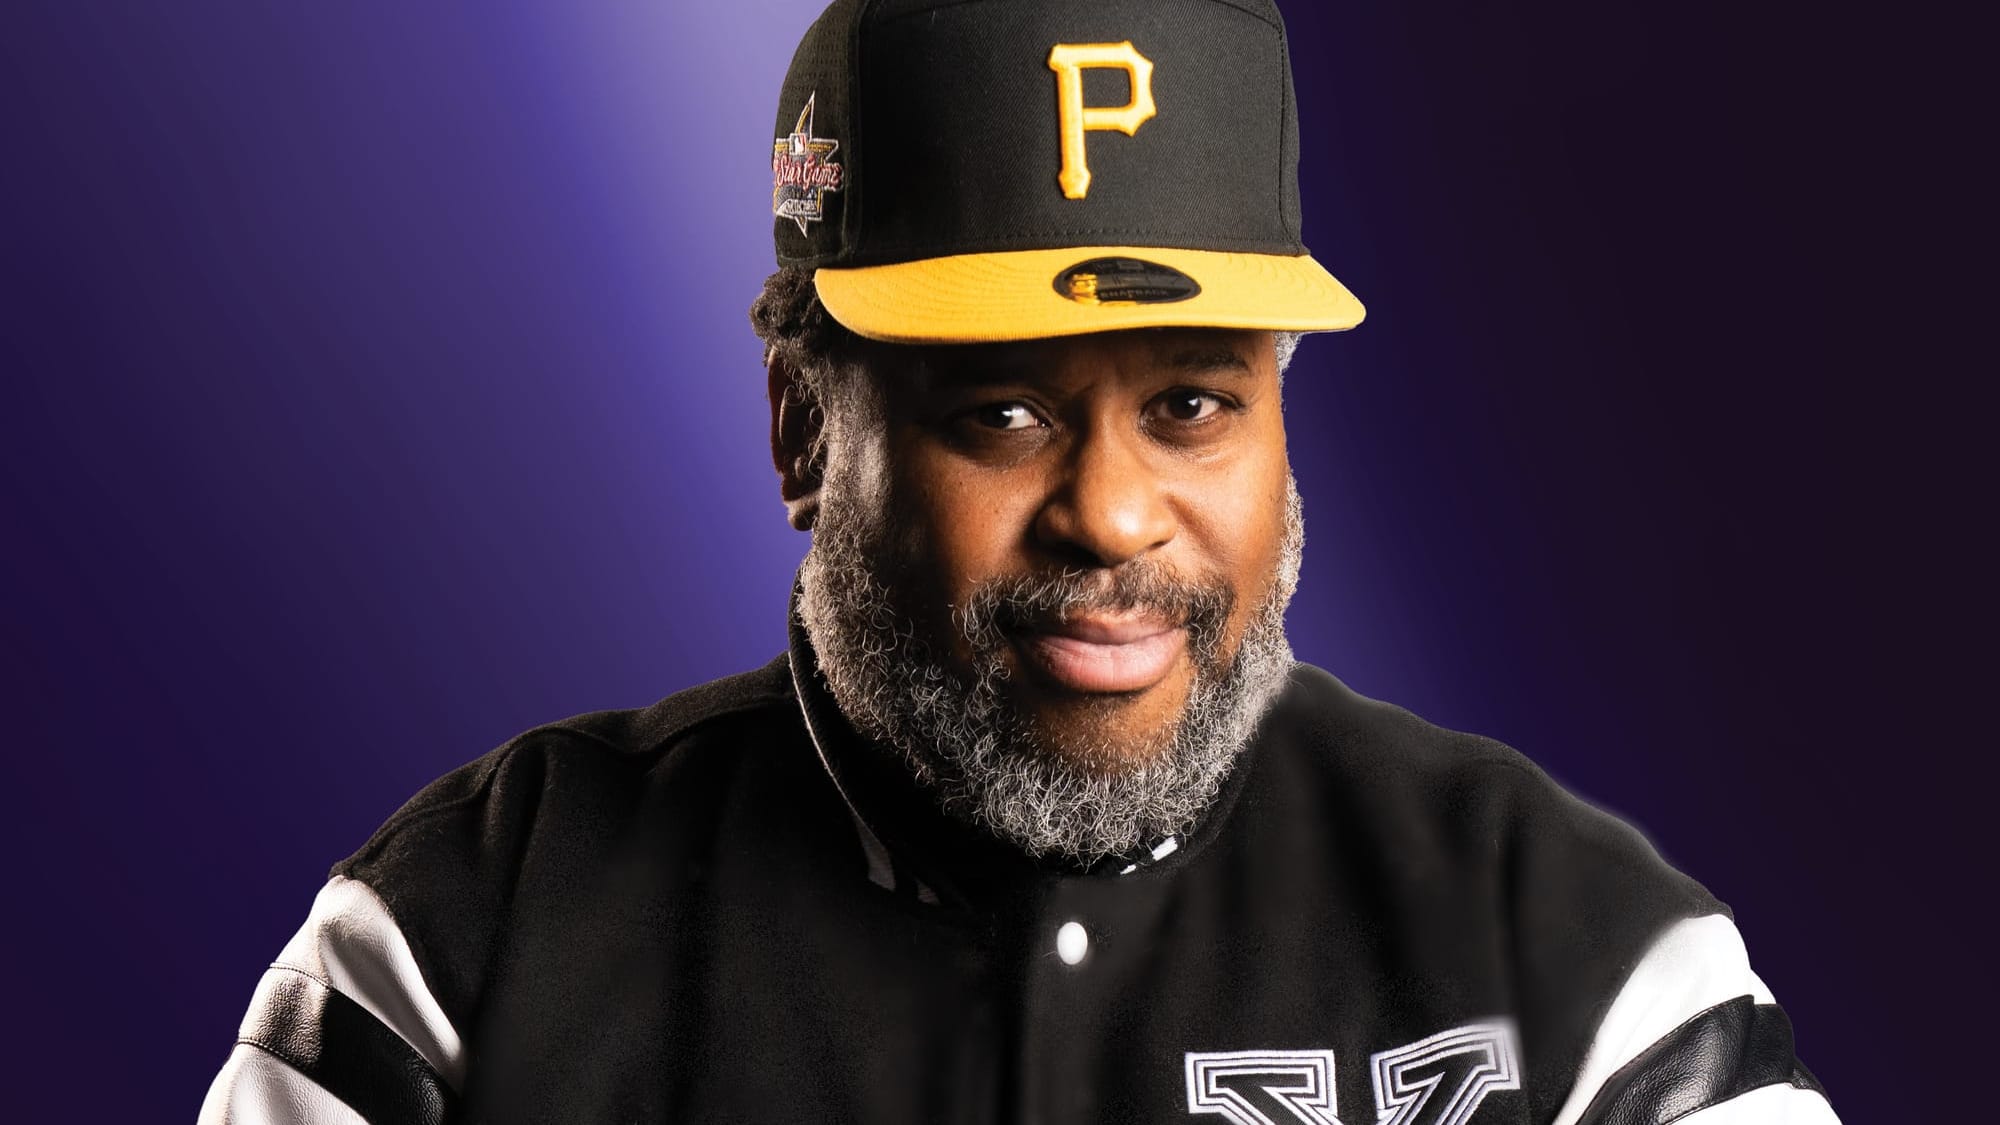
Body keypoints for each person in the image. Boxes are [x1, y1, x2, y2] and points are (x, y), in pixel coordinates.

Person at [200, 1, 1838, 1122]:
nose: (1112, 516)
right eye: (1001, 409)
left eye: (1192, 403)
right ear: (801, 426)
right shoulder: (465, 947)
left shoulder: (1572, 954)